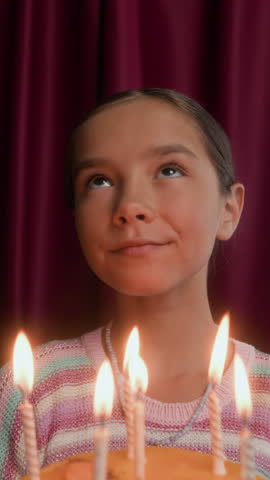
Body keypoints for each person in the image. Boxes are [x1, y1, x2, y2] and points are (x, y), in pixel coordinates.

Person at [1, 88, 269, 480]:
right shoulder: (31, 391)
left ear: (229, 209)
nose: (130, 206)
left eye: (169, 170)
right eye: (99, 181)